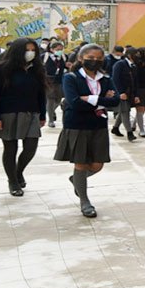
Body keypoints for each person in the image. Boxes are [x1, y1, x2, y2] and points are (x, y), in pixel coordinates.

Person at [55, 43, 118, 218]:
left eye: (99, 58)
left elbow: (116, 101)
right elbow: (74, 102)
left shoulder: (106, 78)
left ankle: (76, 180)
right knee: (81, 163)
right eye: (90, 58)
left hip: (98, 125)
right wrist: (102, 99)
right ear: (81, 59)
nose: (95, 61)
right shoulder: (71, 78)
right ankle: (84, 201)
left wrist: (89, 98)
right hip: (77, 125)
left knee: (97, 165)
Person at [0, 37, 47, 197]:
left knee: (30, 147)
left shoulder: (36, 69)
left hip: (32, 112)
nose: (31, 53)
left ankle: (18, 171)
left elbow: (41, 94)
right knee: (10, 148)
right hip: (8, 113)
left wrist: (43, 114)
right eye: (27, 50)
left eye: (33, 50)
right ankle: (12, 181)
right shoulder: (2, 69)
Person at [110, 46, 139, 141]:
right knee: (125, 111)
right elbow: (115, 80)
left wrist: (136, 95)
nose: (138, 57)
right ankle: (129, 133)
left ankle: (115, 128)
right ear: (130, 55)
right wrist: (120, 92)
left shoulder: (133, 66)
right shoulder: (119, 65)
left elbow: (134, 81)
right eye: (136, 55)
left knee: (123, 110)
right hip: (121, 92)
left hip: (129, 93)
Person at [44, 41, 67, 127]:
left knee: (58, 98)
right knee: (50, 98)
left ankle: (51, 110)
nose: (60, 51)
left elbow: (66, 65)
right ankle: (50, 120)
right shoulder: (45, 57)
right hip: (48, 80)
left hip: (59, 80)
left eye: (61, 49)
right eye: (58, 49)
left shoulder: (63, 57)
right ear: (52, 49)